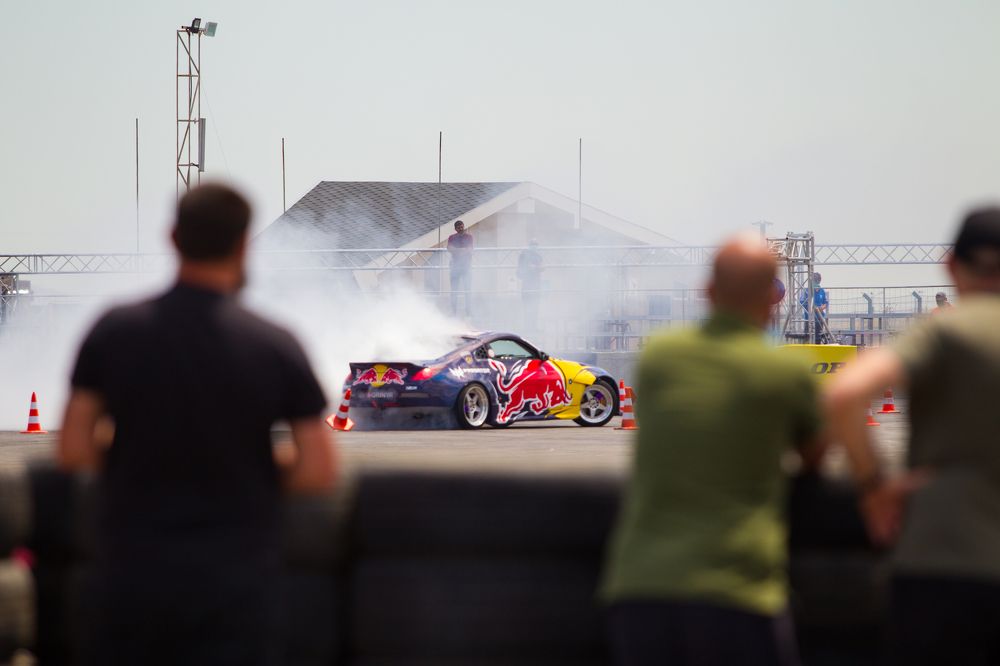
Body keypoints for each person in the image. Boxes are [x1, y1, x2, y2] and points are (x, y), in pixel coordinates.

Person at [59, 183, 338, 666]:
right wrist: (244, 469)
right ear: (243, 244)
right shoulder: (275, 344)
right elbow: (318, 469)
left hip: (133, 579)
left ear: (173, 238)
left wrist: (141, 459)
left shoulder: (115, 330)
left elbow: (72, 449)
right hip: (236, 586)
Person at [601, 234, 823, 666]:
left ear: (707, 292)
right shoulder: (785, 370)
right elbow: (815, 451)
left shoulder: (658, 357)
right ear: (773, 299)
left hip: (638, 588)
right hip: (738, 592)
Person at [826, 207, 1000, 665]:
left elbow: (845, 395)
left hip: (935, 566)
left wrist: (873, 486)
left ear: (951, 266)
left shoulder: (942, 329)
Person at [447, 219, 474, 316]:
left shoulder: (469, 237)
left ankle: (468, 311)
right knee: (454, 290)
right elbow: (449, 249)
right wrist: (462, 250)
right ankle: (454, 311)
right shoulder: (452, 237)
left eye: (462, 226)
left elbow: (469, 249)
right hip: (455, 267)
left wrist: (457, 250)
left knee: (468, 290)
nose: (461, 228)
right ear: (455, 229)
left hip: (466, 267)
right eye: (459, 227)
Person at [517, 239, 543, 330]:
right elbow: (519, 273)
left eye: (536, 245)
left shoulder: (538, 256)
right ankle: (528, 328)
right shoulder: (523, 256)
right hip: (527, 286)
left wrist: (537, 268)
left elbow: (542, 267)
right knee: (527, 308)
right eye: (533, 245)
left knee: (535, 308)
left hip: (536, 286)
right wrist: (528, 268)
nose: (535, 247)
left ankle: (534, 327)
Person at [798, 272, 828, 343]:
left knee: (818, 338)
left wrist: (822, 307)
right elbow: (802, 301)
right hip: (809, 319)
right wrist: (812, 307)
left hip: (819, 318)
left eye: (818, 280)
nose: (817, 282)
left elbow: (826, 302)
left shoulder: (822, 291)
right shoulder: (807, 290)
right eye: (815, 280)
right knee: (807, 337)